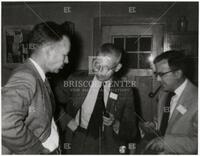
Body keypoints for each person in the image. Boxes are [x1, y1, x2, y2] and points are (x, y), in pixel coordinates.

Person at [55, 43, 140, 154]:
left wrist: (115, 123)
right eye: (97, 65)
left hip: (109, 144)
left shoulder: (125, 91)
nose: (100, 71)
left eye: (106, 68)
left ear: (118, 67)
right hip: (78, 138)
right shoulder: (76, 80)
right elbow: (52, 100)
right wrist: (67, 120)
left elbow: (131, 130)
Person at [2, 21, 71, 154]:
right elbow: (4, 121)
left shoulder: (38, 74)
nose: (67, 60)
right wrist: (37, 150)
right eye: (64, 55)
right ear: (49, 51)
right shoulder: (26, 76)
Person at [144, 50, 198, 154]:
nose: (158, 79)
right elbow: (163, 120)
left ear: (177, 73)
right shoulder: (163, 93)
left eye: (161, 74)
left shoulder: (196, 99)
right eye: (156, 74)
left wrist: (167, 143)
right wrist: (153, 126)